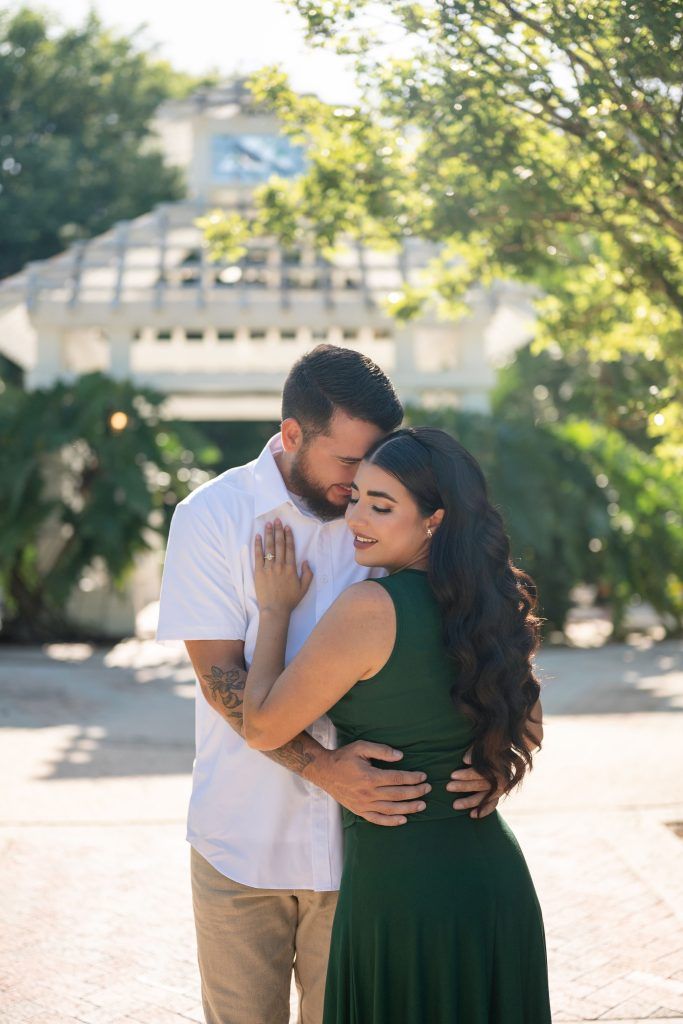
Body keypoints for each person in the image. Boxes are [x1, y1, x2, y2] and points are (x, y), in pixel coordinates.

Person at [156, 346, 504, 1024]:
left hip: (367, 856)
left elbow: (465, 641)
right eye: (348, 463)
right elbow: (219, 678)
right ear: (291, 435)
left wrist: (497, 754)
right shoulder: (211, 517)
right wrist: (325, 771)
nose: (360, 484)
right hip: (241, 843)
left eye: (374, 461)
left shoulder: (383, 517)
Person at [241, 425, 552, 1024]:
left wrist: (275, 610)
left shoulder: (368, 608)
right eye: (356, 497)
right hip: (491, 878)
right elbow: (530, 728)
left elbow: (261, 725)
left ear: (434, 520)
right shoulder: (491, 609)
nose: (357, 516)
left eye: (381, 507)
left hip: (402, 892)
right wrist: (493, 774)